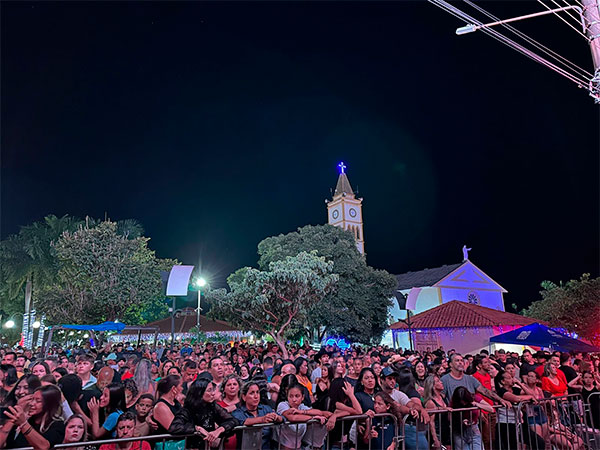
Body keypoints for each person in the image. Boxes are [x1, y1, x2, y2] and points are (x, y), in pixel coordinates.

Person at [169, 378, 238, 448]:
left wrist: (219, 430)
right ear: (200, 393)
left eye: (213, 390)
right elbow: (174, 427)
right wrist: (197, 429)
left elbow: (233, 420)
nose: (213, 393)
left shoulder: (212, 406)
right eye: (209, 390)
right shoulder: (187, 409)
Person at [0, 385, 65, 449]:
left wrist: (23, 424)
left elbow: (44, 446)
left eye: (38, 401)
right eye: (32, 399)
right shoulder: (28, 420)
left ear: (49, 404)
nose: (31, 403)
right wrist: (14, 416)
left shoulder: (57, 425)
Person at [276, 383, 330, 450]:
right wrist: (312, 418)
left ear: (302, 397)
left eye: (297, 396)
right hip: (282, 447)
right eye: (291, 396)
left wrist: (303, 412)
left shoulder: (301, 407)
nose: (294, 399)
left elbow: (320, 413)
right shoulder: (282, 405)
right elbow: (293, 418)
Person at [231, 381, 283, 450]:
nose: (256, 396)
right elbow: (244, 421)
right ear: (244, 397)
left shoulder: (266, 409)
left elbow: (282, 418)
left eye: (257, 392)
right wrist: (262, 419)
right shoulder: (238, 412)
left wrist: (277, 417)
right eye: (252, 393)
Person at [152, 375, 184, 450]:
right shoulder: (161, 406)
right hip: (166, 445)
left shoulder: (176, 403)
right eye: (181, 386)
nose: (182, 388)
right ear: (174, 389)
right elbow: (176, 428)